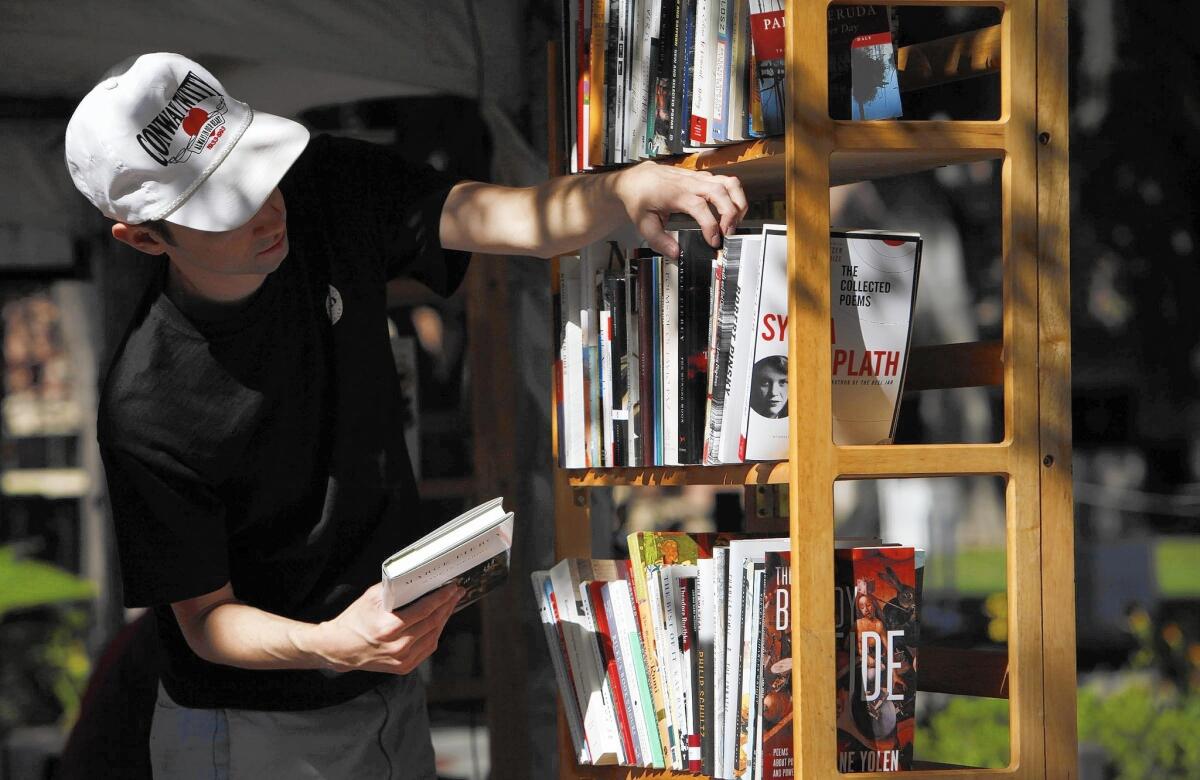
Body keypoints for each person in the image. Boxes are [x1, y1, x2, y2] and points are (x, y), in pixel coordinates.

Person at [64, 53, 747, 778]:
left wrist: (622, 188)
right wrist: (329, 642)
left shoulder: (321, 185)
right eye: (226, 204)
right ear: (143, 237)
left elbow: (508, 215)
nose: (267, 208)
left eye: (257, 168)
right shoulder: (146, 404)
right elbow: (205, 623)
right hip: (248, 729)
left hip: (389, 691)